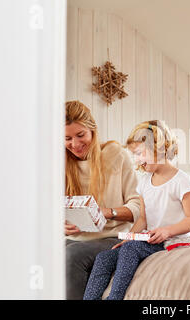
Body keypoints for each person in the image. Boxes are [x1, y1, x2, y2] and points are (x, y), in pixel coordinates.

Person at [83, 120, 190, 300]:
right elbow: (143, 219)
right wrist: (128, 238)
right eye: (134, 155)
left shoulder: (181, 180)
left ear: (158, 148)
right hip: (149, 240)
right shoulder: (145, 181)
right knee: (103, 258)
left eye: (139, 154)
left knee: (131, 250)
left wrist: (166, 231)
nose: (137, 160)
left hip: (173, 242)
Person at [64, 100, 141, 300]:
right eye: (67, 138)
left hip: (111, 237)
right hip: (73, 238)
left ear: (93, 130)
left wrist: (107, 212)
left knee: (71, 256)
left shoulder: (116, 154)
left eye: (80, 135)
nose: (75, 144)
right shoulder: (59, 163)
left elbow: (138, 206)